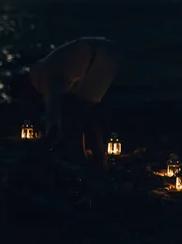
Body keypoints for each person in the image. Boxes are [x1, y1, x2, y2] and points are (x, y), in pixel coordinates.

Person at [10, 37, 121, 171]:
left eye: (24, 98)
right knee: (79, 111)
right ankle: (91, 158)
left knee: (80, 110)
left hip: (101, 58)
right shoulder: (44, 70)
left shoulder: (44, 79)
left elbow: (53, 114)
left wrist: (46, 142)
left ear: (24, 88)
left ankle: (91, 160)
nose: (28, 102)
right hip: (100, 54)